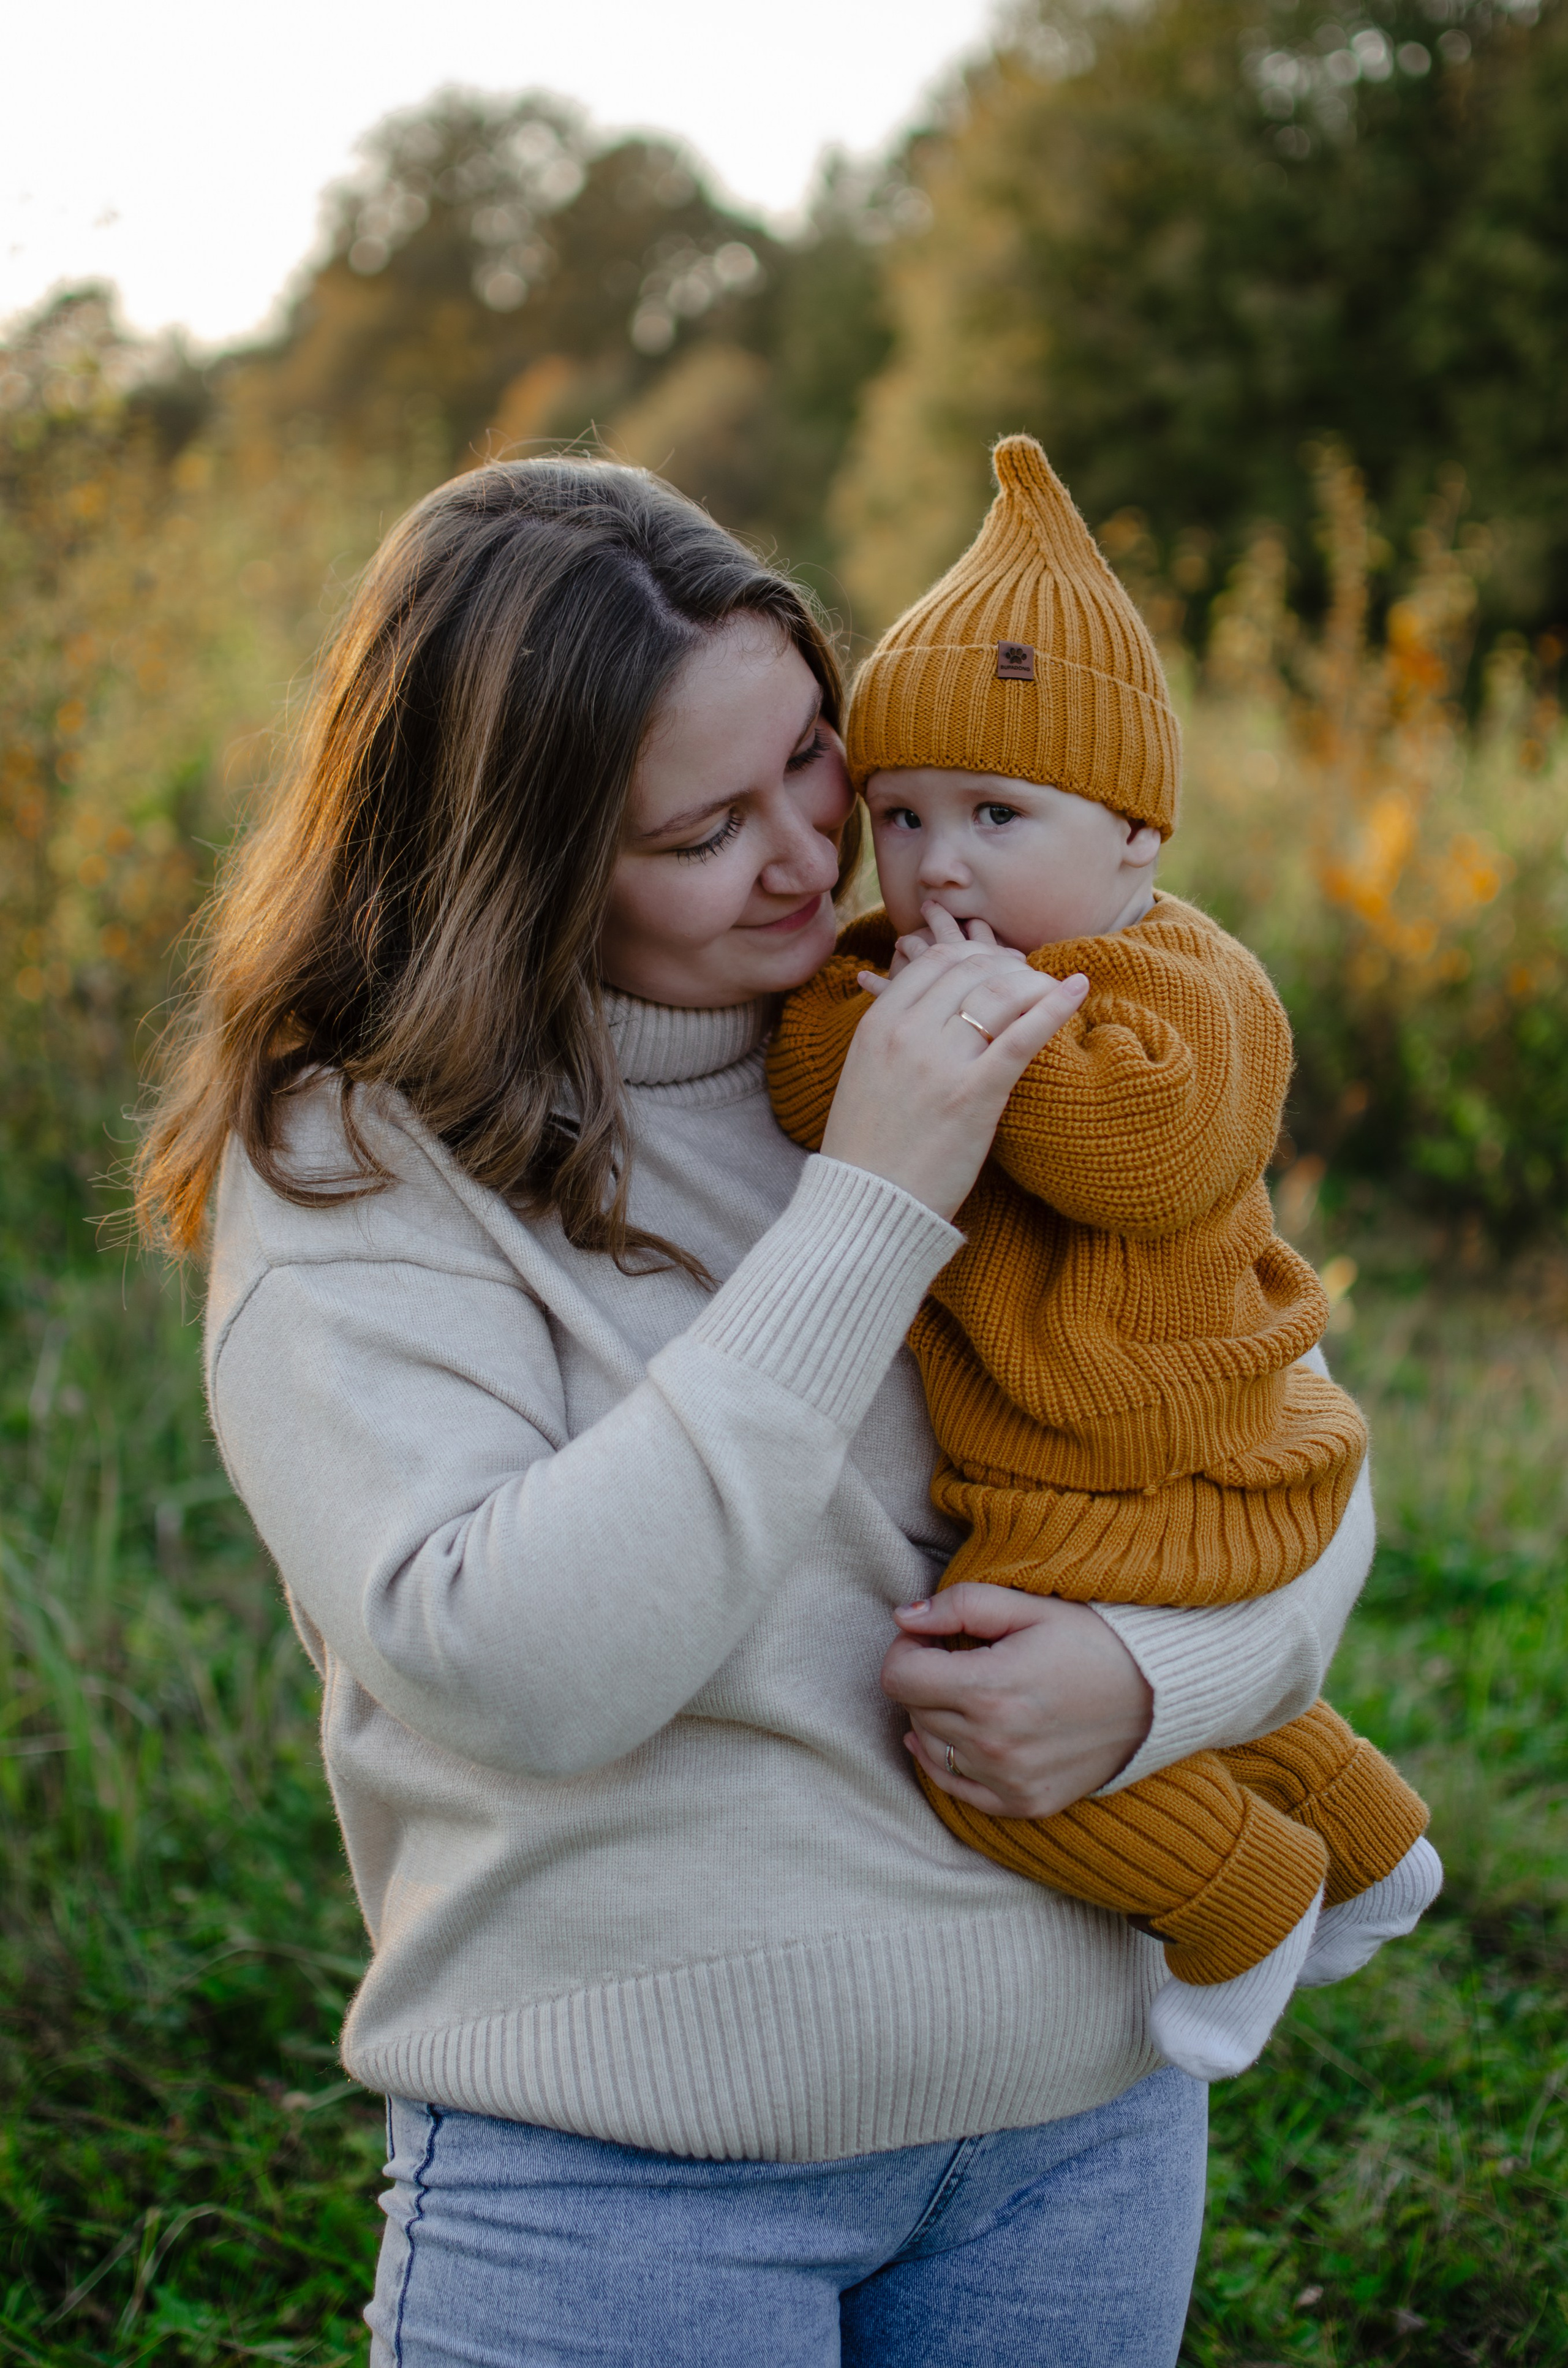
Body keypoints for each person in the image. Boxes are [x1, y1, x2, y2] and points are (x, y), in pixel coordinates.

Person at [136, 456, 1378, 2367]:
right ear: (518, 860)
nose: (815, 854)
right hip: (624, 2188)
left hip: (1074, 2138)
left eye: (813, 754)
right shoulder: (360, 1169)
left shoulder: (1014, 1017)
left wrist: (1152, 1684)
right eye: (704, 827)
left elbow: (1294, 1459)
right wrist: (872, 1201)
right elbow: (513, 1663)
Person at [769, 435, 1441, 2086]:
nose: (939, 865)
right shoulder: (908, 964)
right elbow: (811, 1081)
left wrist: (978, 1040)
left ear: (1137, 841)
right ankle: (1373, 1839)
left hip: (1173, 1446)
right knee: (1118, 1685)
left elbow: (1141, 1158)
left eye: (999, 814)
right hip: (1067, 1461)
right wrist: (894, 1020)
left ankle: (1243, 1892)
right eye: (901, 814)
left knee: (967, 1721)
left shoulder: (1183, 983)